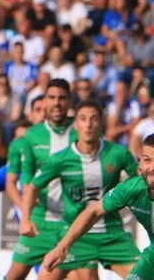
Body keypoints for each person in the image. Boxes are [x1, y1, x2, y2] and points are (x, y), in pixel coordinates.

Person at [21, 100, 138, 279]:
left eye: (94, 119)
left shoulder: (118, 153)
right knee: (45, 276)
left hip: (112, 234)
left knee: (144, 275)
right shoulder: (61, 159)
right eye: (83, 119)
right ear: (75, 124)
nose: (88, 125)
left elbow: (141, 180)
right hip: (76, 236)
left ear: (101, 123)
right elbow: (33, 186)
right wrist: (26, 219)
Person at [43, 133, 154, 279]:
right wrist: (61, 248)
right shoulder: (132, 188)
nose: (152, 167)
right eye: (147, 160)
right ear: (139, 162)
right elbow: (94, 211)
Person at [4, 78, 76, 280]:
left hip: (73, 223)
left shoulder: (82, 132)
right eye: (51, 97)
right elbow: (25, 179)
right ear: (45, 101)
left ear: (69, 101)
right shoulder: (32, 136)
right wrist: (25, 217)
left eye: (62, 98)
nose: (56, 103)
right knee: (13, 276)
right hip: (40, 220)